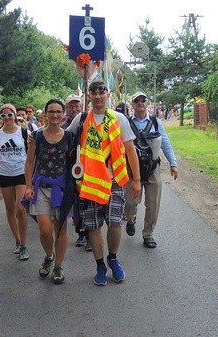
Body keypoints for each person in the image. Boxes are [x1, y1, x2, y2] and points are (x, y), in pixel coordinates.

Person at [66, 80, 141, 286]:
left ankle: (113, 259)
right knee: (94, 226)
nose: (98, 96)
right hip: (88, 182)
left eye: (102, 91)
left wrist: (136, 179)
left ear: (108, 95)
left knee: (115, 223)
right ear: (89, 96)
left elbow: (130, 149)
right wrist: (37, 136)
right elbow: (63, 138)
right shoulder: (81, 120)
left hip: (114, 180)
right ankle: (100, 265)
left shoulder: (119, 118)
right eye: (93, 92)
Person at [24, 98, 73, 284]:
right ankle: (48, 256)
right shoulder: (36, 136)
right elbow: (29, 162)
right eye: (51, 111)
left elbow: (74, 161)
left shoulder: (69, 137)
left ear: (63, 114)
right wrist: (28, 185)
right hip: (41, 187)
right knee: (45, 230)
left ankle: (58, 266)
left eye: (58, 112)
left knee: (60, 230)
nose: (55, 115)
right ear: (45, 114)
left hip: (61, 188)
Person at [124, 92, 178, 248]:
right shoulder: (126, 123)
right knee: (131, 201)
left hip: (153, 167)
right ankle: (130, 219)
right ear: (132, 105)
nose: (140, 103)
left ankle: (148, 234)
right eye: (137, 101)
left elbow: (165, 142)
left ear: (147, 103)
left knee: (153, 203)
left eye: (143, 100)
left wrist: (173, 164)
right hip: (133, 168)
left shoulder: (155, 122)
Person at [0, 104, 30, 261]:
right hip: (5, 174)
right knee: (10, 209)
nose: (7, 118)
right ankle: (18, 240)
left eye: (10, 115)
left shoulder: (25, 133)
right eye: (4, 116)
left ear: (15, 116)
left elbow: (31, 155)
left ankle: (24, 243)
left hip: (21, 173)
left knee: (21, 209)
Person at [62, 94, 91, 252]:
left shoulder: (87, 120)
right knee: (75, 202)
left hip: (88, 168)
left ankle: (89, 234)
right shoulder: (62, 125)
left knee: (87, 200)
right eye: (70, 106)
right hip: (70, 168)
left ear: (81, 107)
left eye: (76, 105)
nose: (74, 109)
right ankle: (80, 231)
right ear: (66, 109)